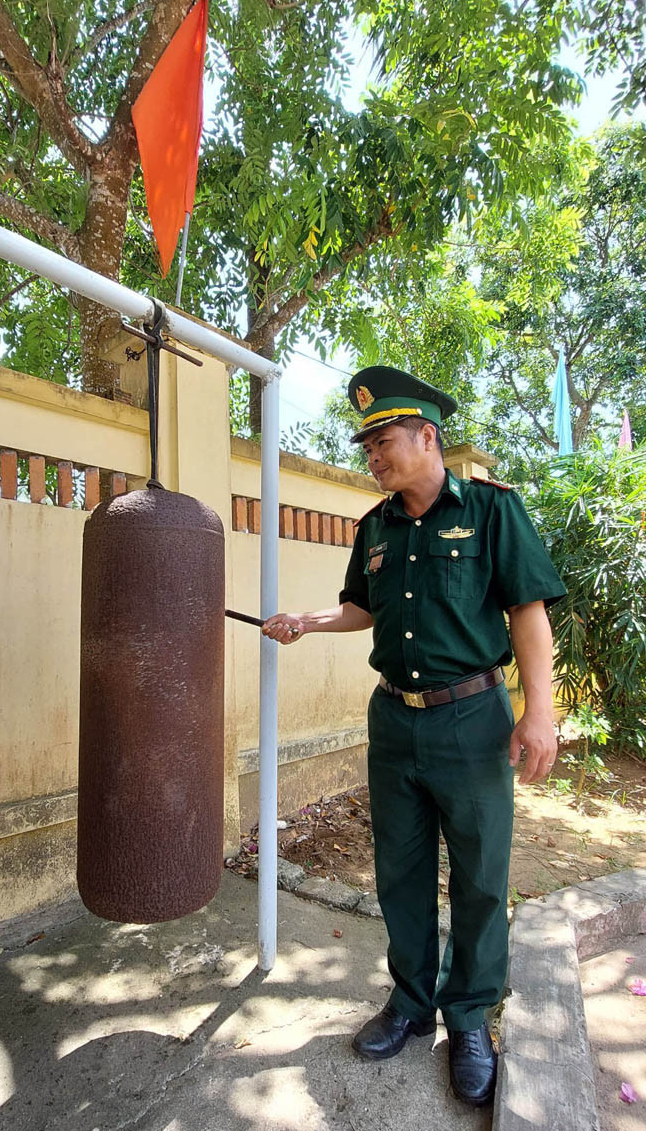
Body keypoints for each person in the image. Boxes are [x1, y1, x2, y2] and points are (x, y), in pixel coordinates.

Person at [262, 366, 566, 1107]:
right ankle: (410, 1002)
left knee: (479, 877)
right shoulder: (375, 527)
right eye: (367, 447)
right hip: (393, 719)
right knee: (398, 872)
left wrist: (540, 711)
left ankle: (468, 1018)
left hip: (472, 719)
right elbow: (359, 610)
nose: (373, 457)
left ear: (427, 437)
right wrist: (306, 620)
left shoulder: (493, 510)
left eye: (384, 442)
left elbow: (528, 611)